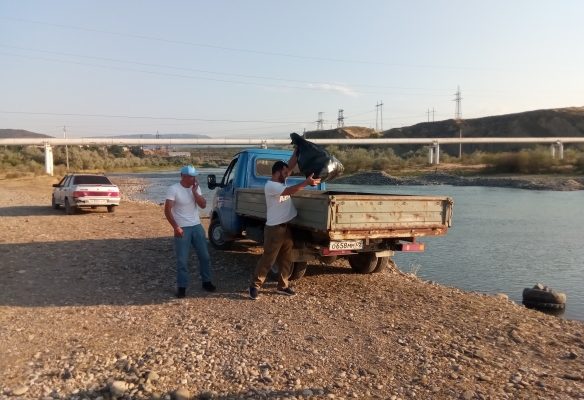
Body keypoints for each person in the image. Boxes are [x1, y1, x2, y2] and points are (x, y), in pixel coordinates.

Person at [249, 159, 320, 300]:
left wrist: (296, 152)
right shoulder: (271, 186)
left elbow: (290, 167)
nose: (288, 174)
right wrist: (306, 182)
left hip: (285, 227)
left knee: (286, 258)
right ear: (277, 172)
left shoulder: (281, 182)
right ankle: (254, 286)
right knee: (268, 259)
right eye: (285, 172)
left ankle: (283, 286)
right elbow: (289, 191)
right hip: (274, 229)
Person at [165, 165, 216, 298]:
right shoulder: (173, 189)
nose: (193, 178)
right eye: (191, 176)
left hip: (196, 226)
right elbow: (167, 210)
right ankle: (182, 287)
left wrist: (195, 192)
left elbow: (203, 205)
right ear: (183, 176)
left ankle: (206, 282)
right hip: (182, 227)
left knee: (205, 256)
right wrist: (176, 227)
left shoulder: (196, 188)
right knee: (182, 260)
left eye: (194, 176)